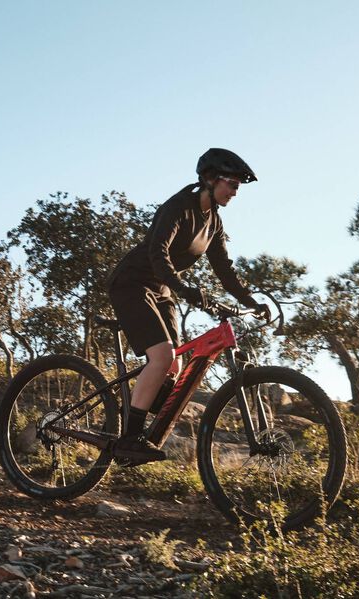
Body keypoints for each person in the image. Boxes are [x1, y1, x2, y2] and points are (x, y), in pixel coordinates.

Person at [107, 148, 270, 464]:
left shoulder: (214, 223)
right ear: (211, 179)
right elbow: (158, 253)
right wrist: (185, 289)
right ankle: (130, 439)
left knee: (174, 366)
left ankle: (139, 404)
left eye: (238, 187)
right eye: (232, 184)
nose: (235, 192)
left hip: (162, 290)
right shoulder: (178, 207)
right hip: (132, 283)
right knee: (162, 355)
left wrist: (252, 302)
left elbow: (224, 271)